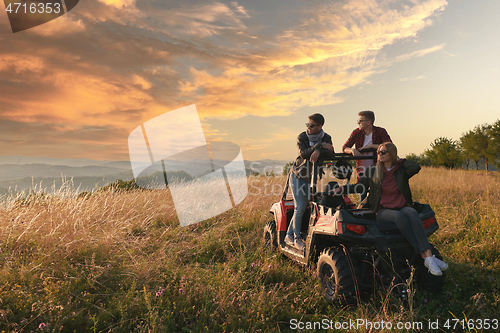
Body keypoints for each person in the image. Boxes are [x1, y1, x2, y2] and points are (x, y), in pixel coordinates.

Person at [334, 142, 448, 276]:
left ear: (392, 154)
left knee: (412, 212)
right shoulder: (373, 170)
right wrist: (342, 188)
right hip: (382, 210)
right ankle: (426, 256)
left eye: (383, 152)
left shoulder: (400, 170)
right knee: (398, 217)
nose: (379, 155)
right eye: (378, 152)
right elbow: (360, 187)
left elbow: (416, 167)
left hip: (402, 206)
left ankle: (428, 257)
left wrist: (400, 160)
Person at [285, 113, 334, 250]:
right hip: (298, 176)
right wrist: (320, 146)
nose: (309, 127)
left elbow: (331, 154)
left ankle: (288, 234)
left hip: (312, 178)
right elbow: (304, 153)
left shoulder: (327, 137)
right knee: (300, 207)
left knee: (304, 207)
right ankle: (296, 239)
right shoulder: (302, 137)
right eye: (307, 124)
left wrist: (318, 151)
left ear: (320, 126)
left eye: (312, 125)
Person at [342, 111, 392, 202]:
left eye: (360, 121)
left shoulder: (380, 131)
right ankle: (363, 212)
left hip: (378, 168)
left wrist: (371, 146)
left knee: (378, 192)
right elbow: (345, 147)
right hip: (361, 169)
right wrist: (352, 150)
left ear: (368, 122)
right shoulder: (356, 132)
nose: (358, 123)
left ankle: (377, 211)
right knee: (362, 192)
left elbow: (389, 146)